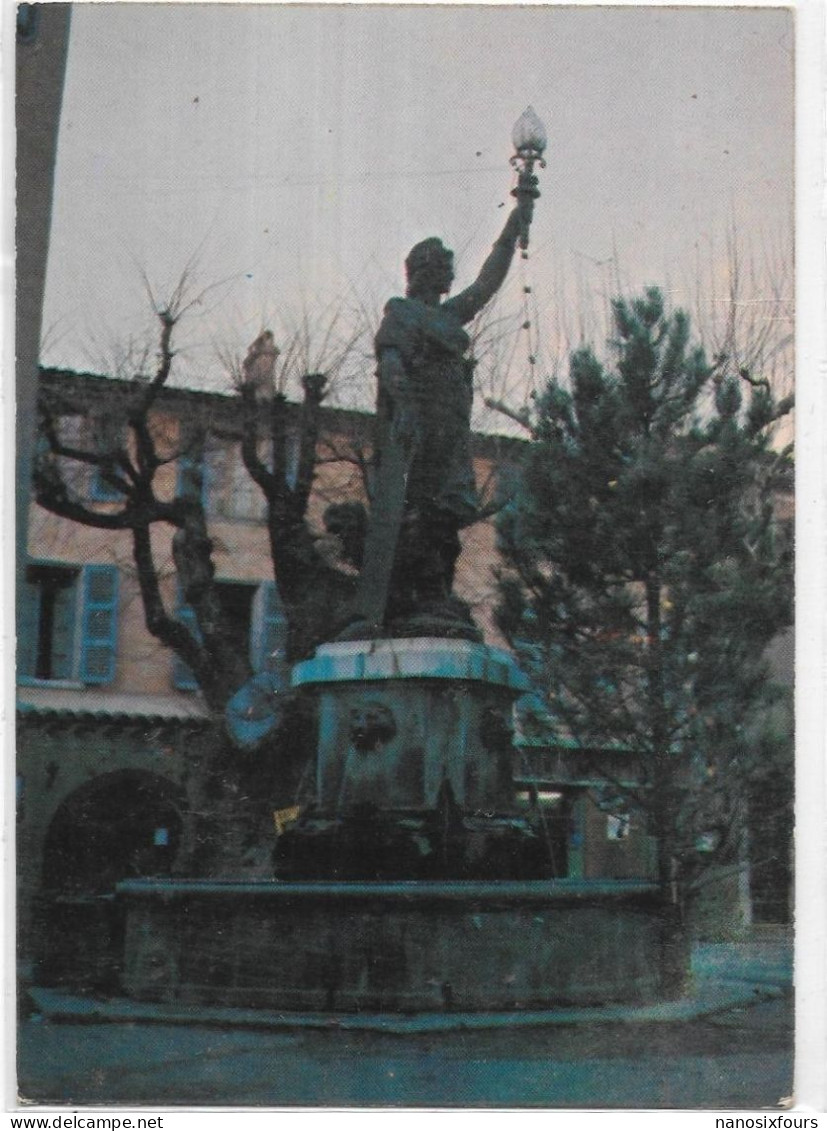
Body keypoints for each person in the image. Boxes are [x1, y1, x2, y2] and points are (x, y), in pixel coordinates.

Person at [348, 171, 538, 634]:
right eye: (445, 267)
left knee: (446, 518)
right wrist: (406, 407)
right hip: (417, 433)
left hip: (449, 431)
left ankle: (436, 595)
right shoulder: (402, 312)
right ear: (426, 271)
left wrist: (514, 225)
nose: (453, 276)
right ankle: (414, 599)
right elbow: (390, 362)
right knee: (420, 514)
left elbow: (486, 286)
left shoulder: (445, 315)